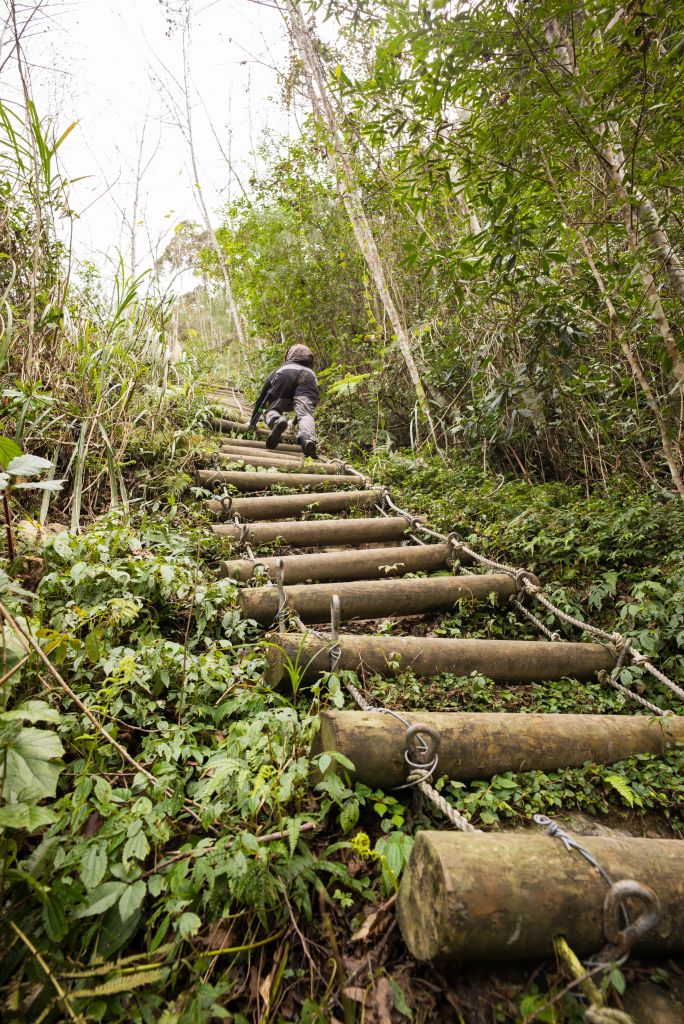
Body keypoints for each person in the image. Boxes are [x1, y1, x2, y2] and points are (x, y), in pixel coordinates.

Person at [249, 344, 320, 458]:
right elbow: (304, 411)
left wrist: (252, 423)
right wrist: (295, 423)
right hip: (309, 377)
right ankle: (308, 440)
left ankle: (277, 420)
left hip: (286, 374)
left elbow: (261, 400)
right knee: (306, 414)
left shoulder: (281, 369)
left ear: (289, 356)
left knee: (271, 410)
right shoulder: (310, 373)